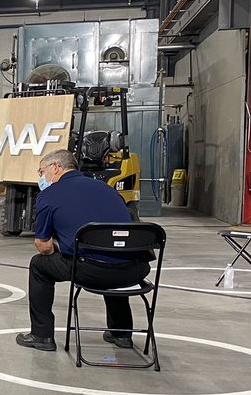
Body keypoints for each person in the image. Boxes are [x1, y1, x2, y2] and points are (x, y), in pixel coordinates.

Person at [16, 149, 150, 352]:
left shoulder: (49, 196)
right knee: (111, 253)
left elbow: (43, 245)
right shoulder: (107, 189)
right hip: (133, 269)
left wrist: (60, 250)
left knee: (39, 265)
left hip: (90, 271)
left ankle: (41, 335)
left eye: (41, 171)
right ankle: (121, 333)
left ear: (55, 168)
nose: (40, 177)